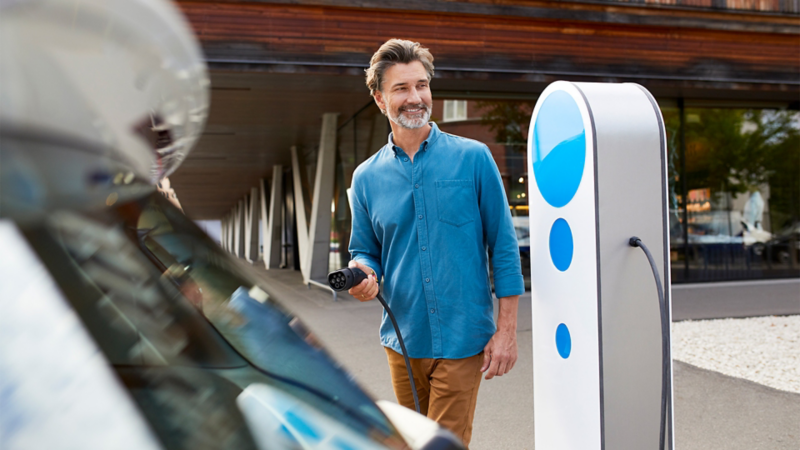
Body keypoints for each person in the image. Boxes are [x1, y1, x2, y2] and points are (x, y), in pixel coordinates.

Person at [347, 39, 524, 447]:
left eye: (422, 85)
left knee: (442, 443)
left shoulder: (474, 158)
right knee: (413, 442)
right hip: (402, 341)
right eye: (402, 89)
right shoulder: (365, 178)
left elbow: (503, 247)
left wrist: (507, 331)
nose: (416, 98)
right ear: (379, 99)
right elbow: (364, 251)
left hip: (462, 339)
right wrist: (363, 275)